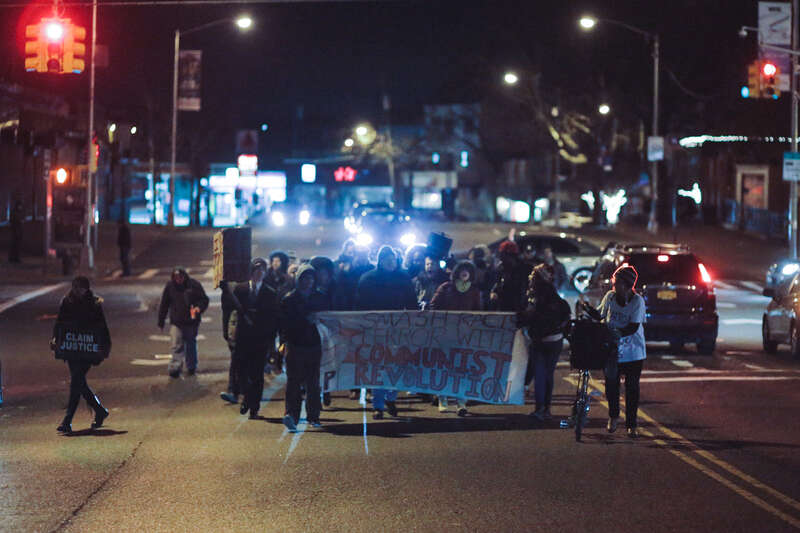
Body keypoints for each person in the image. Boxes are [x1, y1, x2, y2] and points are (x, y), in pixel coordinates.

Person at [580, 265, 646, 438]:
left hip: (633, 352)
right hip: (612, 351)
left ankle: (631, 424)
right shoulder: (610, 297)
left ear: (626, 285)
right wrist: (587, 309)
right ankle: (614, 416)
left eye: (615, 283)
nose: (613, 286)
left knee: (632, 388)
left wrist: (615, 333)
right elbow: (600, 315)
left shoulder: (637, 301)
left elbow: (633, 327)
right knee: (611, 386)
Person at [356, 245, 418, 419]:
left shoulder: (403, 278)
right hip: (376, 331)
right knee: (378, 367)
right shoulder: (367, 280)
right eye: (387, 260)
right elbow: (360, 306)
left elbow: (411, 303)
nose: (391, 263)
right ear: (380, 261)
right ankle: (378, 404)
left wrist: (414, 322)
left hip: (398, 330)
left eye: (393, 260)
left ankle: (391, 397)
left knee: (397, 365)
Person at [51, 276, 111, 434]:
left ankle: (67, 419)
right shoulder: (66, 302)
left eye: (80, 288)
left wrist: (103, 348)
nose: (76, 291)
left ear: (86, 289)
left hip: (87, 349)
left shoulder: (94, 303)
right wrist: (55, 339)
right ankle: (99, 410)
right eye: (75, 287)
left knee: (76, 380)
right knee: (79, 382)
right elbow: (59, 323)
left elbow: (102, 327)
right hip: (72, 348)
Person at [224, 258, 281, 419]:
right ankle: (248, 397)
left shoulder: (270, 292)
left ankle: (253, 406)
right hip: (243, 338)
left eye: (262, 271)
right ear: (251, 273)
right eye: (256, 271)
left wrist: (271, 339)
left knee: (257, 374)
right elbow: (230, 310)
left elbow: (273, 317)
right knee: (241, 371)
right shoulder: (240, 290)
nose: (259, 273)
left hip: (260, 339)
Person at [518, 264, 571, 421]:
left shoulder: (536, 297)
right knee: (548, 375)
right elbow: (566, 315)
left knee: (540, 375)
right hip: (556, 341)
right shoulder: (556, 296)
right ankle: (546, 409)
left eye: (533, 277)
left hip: (541, 341)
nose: (531, 280)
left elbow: (529, 316)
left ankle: (540, 409)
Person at [429, 260, 481, 416]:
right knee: (444, 367)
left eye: (468, 271)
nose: (465, 273)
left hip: (464, 336)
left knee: (462, 369)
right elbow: (433, 305)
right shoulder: (446, 288)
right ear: (457, 273)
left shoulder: (474, 291)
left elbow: (478, 312)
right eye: (462, 270)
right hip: (446, 334)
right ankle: (442, 399)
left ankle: (461, 402)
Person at [280, 263, 324, 430]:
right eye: (304, 278)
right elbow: (284, 324)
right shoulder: (289, 299)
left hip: (314, 345)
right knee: (294, 383)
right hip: (296, 345)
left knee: (313, 384)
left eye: (311, 278)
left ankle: (314, 416)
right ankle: (291, 415)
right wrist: (304, 320)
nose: (308, 281)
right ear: (299, 279)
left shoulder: (320, 298)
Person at [157, 267, 209, 378]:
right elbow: (164, 304)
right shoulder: (170, 287)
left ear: (184, 277)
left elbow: (204, 299)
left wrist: (198, 308)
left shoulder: (194, 285)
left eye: (180, 277)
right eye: (176, 278)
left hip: (191, 321)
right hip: (177, 321)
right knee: (176, 345)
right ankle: (175, 367)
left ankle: (191, 366)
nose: (178, 280)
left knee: (190, 343)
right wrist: (161, 321)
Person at [489, 240, 531, 312]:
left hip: (519, 310)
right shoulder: (502, 268)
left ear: (511, 255)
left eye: (503, 255)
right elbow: (498, 284)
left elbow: (525, 291)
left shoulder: (524, 270)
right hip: (504, 308)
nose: (501, 258)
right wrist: (494, 292)